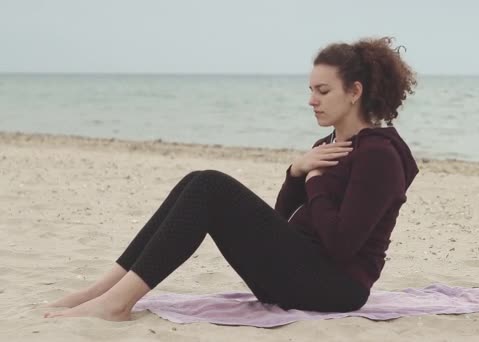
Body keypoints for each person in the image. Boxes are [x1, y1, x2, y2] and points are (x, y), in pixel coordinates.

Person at [43, 37, 419, 321]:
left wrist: (316, 178)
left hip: (337, 288)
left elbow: (341, 246)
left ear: (355, 92)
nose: (312, 101)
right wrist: (296, 173)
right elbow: (281, 218)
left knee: (210, 185)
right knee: (196, 180)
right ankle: (102, 290)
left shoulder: (378, 156)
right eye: (310, 90)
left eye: (323, 91)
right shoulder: (326, 145)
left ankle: (116, 303)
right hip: (299, 270)